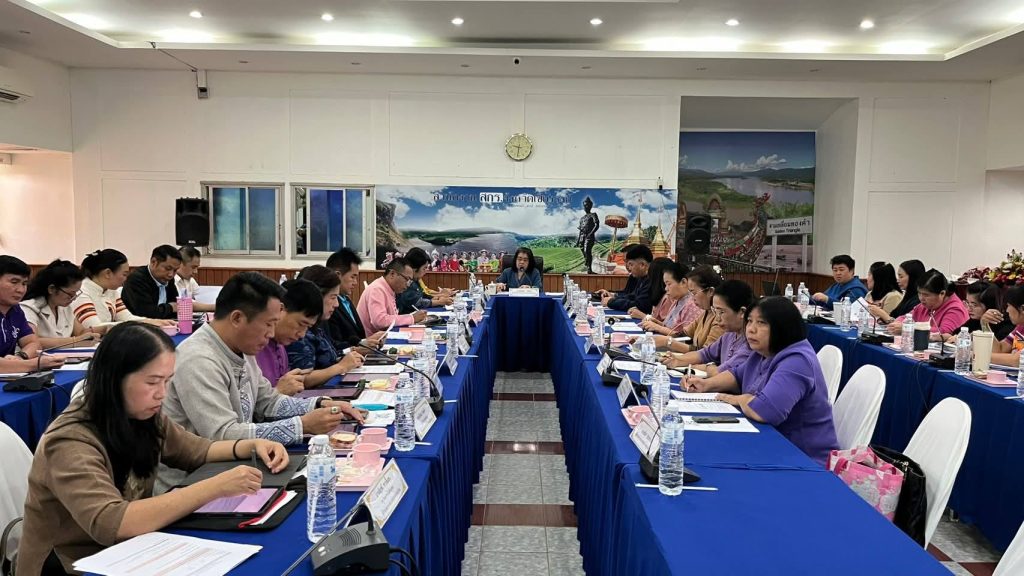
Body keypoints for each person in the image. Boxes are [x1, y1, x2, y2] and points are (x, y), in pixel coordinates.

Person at [17, 322, 289, 575]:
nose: (162, 393)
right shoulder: (70, 440)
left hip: (131, 550)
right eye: (152, 382)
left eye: (167, 381)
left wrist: (251, 445)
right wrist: (215, 487)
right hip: (71, 563)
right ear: (114, 378)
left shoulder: (141, 414)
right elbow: (112, 522)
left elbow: (196, 450)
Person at [158, 272, 365, 492]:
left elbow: (268, 401)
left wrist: (321, 405)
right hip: (191, 485)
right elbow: (223, 436)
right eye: (268, 324)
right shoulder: (198, 359)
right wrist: (302, 425)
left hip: (236, 472)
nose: (272, 333)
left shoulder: (241, 348)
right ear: (237, 318)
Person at [715, 296, 839, 466]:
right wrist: (706, 384)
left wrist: (740, 399)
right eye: (749, 321)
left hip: (804, 459)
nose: (751, 329)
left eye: (761, 323)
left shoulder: (797, 360)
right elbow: (737, 376)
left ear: (782, 327)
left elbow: (765, 411)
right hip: (774, 446)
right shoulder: (764, 352)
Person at [668, 280, 755, 393]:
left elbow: (721, 372)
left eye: (721, 312)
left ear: (742, 312)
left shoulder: (751, 342)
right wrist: (677, 360)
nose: (717, 318)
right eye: (715, 311)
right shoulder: (729, 335)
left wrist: (703, 367)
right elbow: (704, 354)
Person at [286, 266, 365, 388]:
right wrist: (340, 366)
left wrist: (352, 353)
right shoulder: (299, 331)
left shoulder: (318, 326)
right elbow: (301, 379)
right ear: (316, 296)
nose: (336, 304)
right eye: (333, 297)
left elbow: (330, 354)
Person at [73, 249, 175, 330]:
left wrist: (153, 322)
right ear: (108, 273)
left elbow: (126, 317)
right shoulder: (82, 292)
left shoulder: (111, 290)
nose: (126, 279)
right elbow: (95, 327)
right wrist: (145, 323)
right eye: (124, 274)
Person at [255, 279, 322, 396]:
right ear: (281, 309)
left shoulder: (280, 347)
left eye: (307, 327)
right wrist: (279, 392)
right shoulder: (253, 346)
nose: (302, 335)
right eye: (301, 324)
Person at [0, 255, 65, 374]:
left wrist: (21, 357)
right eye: (14, 282)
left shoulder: (16, 310)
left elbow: (33, 343)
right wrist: (33, 364)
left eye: (24, 283)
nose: (20, 290)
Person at [20, 259, 103, 349]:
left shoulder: (64, 306)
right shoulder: (29, 308)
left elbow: (80, 332)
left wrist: (104, 329)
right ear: (52, 289)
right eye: (70, 294)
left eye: (76, 293)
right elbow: (32, 342)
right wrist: (75, 341)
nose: (74, 298)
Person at [325, 247, 386, 351]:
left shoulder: (346, 300)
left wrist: (368, 341)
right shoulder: (328, 306)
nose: (355, 282)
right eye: (352, 277)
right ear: (337, 275)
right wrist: (362, 344)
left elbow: (357, 337)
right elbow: (334, 345)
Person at [652, 265, 724, 353]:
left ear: (710, 291)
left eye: (694, 293)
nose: (692, 298)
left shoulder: (720, 319)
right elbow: (684, 335)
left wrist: (668, 342)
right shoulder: (706, 312)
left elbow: (706, 354)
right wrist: (652, 339)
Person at [885, 269, 968, 341]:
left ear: (942, 293)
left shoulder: (956, 309)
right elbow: (906, 318)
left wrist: (908, 328)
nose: (921, 298)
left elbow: (944, 333)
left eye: (926, 295)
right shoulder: (926, 305)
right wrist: (897, 324)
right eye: (919, 293)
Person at [356, 258, 427, 336]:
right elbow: (379, 321)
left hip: (384, 336)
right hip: (373, 340)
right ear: (392, 274)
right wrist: (411, 318)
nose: (408, 285)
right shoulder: (377, 289)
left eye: (410, 281)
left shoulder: (389, 288)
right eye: (407, 279)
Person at [634, 259, 701, 336]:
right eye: (665, 285)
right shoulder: (678, 300)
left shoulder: (693, 305)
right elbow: (670, 328)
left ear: (683, 282)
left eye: (669, 284)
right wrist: (656, 323)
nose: (666, 289)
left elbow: (686, 337)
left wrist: (658, 327)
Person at [121, 245, 183, 320]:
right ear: (154, 262)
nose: (171, 274)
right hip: (139, 325)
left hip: (164, 323)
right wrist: (170, 307)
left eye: (175, 270)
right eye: (168, 268)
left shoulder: (167, 279)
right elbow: (146, 313)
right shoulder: (136, 279)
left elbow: (177, 306)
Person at [944, 282, 1014, 343]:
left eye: (974, 305)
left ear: (989, 305)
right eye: (967, 303)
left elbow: (995, 348)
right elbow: (956, 334)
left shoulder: (1007, 324)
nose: (969, 309)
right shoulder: (975, 320)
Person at [597, 244, 653, 313]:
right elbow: (632, 296)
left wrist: (612, 302)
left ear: (642, 265)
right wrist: (614, 297)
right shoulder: (642, 277)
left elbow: (640, 305)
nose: (629, 268)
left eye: (631, 264)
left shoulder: (652, 279)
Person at [396, 247, 453, 314]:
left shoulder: (416, 280)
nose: (425, 272)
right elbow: (415, 302)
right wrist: (439, 301)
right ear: (414, 268)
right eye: (424, 268)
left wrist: (438, 297)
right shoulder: (405, 281)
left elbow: (422, 294)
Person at [870, 259, 926, 323]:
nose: (898, 280)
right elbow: (896, 318)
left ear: (912, 278)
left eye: (901, 277)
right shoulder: (908, 297)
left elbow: (904, 325)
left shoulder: (918, 301)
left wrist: (881, 313)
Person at [990, 286, 1024, 366]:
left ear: (1022, 309)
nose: (1007, 310)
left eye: (1008, 305)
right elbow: (1000, 350)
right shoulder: (1021, 327)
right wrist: (985, 325)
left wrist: (975, 356)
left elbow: (1017, 360)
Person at [174, 246, 215, 312]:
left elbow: (200, 297)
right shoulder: (171, 281)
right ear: (180, 264)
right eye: (193, 267)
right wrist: (216, 307)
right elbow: (184, 304)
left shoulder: (190, 279)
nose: (195, 272)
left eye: (197, 267)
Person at [576, 196, 599, 274]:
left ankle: (589, 269)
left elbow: (597, 225)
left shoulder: (593, 215)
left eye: (587, 205)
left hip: (589, 236)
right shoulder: (582, 218)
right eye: (584, 205)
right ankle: (587, 261)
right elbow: (580, 231)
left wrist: (591, 233)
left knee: (587, 251)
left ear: (590, 206)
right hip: (582, 237)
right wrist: (578, 240)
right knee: (583, 250)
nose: (585, 207)